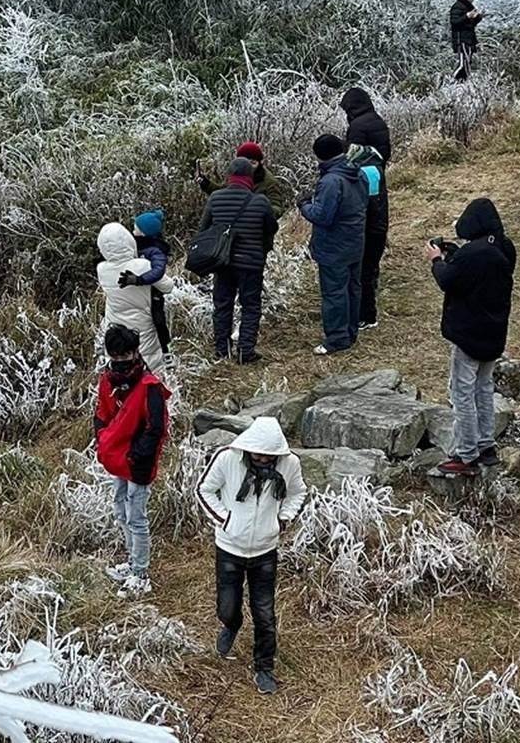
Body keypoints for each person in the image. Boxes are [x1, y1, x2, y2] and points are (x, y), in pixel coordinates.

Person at [194, 416, 306, 696]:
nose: (263, 459)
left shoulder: (290, 464)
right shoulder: (227, 458)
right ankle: (232, 625)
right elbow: (204, 490)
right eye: (258, 453)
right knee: (227, 607)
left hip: (265, 551)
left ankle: (264, 668)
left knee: (265, 614)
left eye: (269, 455)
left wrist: (283, 519)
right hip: (229, 547)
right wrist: (225, 520)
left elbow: (298, 493)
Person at [425, 198, 516, 475]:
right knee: (484, 389)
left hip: (468, 334)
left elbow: (449, 280)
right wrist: (454, 255)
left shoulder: (474, 254)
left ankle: (466, 455)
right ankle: (486, 446)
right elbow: (473, 276)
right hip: (494, 331)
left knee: (461, 393)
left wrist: (437, 260)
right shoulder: (504, 247)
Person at [95, 324, 170, 599]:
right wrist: (103, 440)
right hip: (118, 457)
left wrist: (135, 455)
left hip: (136, 462)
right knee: (120, 509)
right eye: (116, 357)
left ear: (135, 352)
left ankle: (140, 573)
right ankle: (132, 563)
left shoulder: (150, 387)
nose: (120, 363)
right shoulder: (107, 379)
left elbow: (156, 429)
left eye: (124, 356)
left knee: (136, 518)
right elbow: (101, 413)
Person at [201, 159, 280, 364]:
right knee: (251, 306)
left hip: (223, 262)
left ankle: (221, 350)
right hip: (251, 262)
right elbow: (272, 228)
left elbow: (204, 230)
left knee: (222, 305)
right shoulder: (260, 201)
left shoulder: (215, 198)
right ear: (249, 178)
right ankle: (246, 351)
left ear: (229, 176)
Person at [297, 134, 367, 356]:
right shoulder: (358, 172)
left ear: (319, 155)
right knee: (352, 288)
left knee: (334, 292)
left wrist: (304, 205)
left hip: (333, 245)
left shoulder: (330, 181)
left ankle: (337, 339)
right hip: (355, 240)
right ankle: (350, 331)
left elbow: (323, 216)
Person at [341, 88, 391, 329]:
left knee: (363, 262)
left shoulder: (358, 127)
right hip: (378, 187)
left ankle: (365, 313)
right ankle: (368, 304)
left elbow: (352, 159)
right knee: (372, 260)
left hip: (365, 199)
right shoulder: (377, 119)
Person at [97, 222, 174, 373]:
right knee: (150, 367)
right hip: (144, 326)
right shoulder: (143, 265)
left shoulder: (101, 269)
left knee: (120, 369)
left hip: (116, 328)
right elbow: (168, 286)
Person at [121, 209, 172, 361]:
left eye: (135, 228)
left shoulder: (155, 251)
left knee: (159, 322)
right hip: (141, 295)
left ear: (144, 232)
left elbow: (158, 271)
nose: (132, 231)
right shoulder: (135, 246)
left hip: (154, 293)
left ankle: (167, 350)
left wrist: (139, 279)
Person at [197, 141, 294, 214]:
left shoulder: (269, 182)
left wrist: (260, 213)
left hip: (259, 234)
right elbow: (225, 192)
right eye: (245, 162)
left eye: (253, 163)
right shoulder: (236, 174)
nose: (249, 167)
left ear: (260, 162)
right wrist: (206, 184)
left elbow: (277, 208)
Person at [450, 0, 484, 82]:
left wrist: (478, 17)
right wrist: (467, 16)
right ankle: (451, 81)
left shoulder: (468, 7)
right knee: (463, 64)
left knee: (468, 63)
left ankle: (461, 83)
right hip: (462, 39)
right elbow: (454, 22)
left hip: (469, 39)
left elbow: (470, 24)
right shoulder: (457, 6)